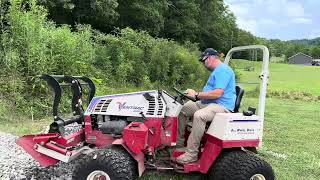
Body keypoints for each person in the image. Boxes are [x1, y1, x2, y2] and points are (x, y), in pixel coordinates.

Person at [176, 48, 236, 164]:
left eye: (204, 61)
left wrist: (197, 94)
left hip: (221, 105)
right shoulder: (216, 71)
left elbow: (217, 93)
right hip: (208, 103)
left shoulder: (223, 70)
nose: (203, 64)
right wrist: (193, 95)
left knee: (199, 116)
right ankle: (178, 145)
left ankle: (191, 154)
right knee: (183, 109)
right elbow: (208, 94)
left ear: (210, 57)